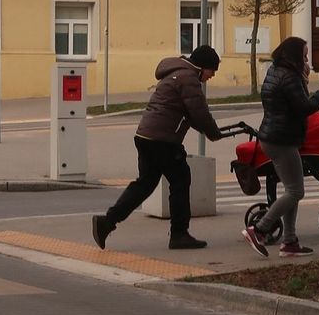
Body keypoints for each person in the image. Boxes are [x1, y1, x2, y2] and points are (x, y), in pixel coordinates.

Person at [92, 45, 224, 251]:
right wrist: (214, 133)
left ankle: (107, 222)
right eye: (212, 70)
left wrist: (210, 131)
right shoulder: (188, 78)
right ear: (202, 66)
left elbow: (190, 114)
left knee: (145, 184)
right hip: (163, 140)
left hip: (146, 135)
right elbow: (199, 112)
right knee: (180, 179)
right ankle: (179, 234)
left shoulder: (174, 74)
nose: (212, 75)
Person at [241, 37, 319, 258]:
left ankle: (290, 242)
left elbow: (290, 103)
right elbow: (304, 107)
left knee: (291, 190)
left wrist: (304, 79)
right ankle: (260, 229)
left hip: (273, 136)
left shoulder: (276, 70)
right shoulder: (290, 76)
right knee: (295, 191)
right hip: (282, 140)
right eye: (304, 55)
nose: (307, 59)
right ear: (294, 56)